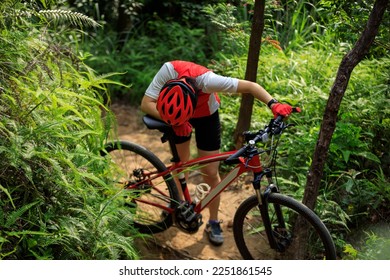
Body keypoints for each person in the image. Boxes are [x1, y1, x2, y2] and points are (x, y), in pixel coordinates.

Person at [141, 60, 294, 246]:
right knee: (181, 163)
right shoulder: (168, 70)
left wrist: (273, 104)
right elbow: (147, 103)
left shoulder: (208, 81)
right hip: (175, 115)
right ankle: (177, 202)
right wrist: (176, 121)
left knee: (211, 172)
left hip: (206, 116)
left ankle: (213, 221)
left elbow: (251, 86)